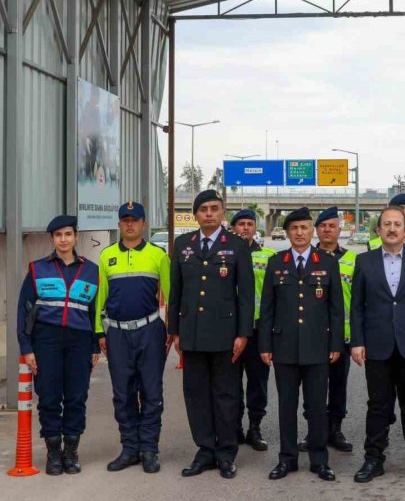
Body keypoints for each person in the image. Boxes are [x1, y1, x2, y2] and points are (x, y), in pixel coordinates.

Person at [350, 206, 405, 486]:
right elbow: (357, 307)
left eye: (397, 224)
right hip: (376, 343)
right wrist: (357, 342)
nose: (391, 229)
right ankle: (373, 459)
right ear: (378, 230)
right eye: (386, 224)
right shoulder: (364, 261)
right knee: (378, 404)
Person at [168, 190, 255, 479]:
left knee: (226, 395)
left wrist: (243, 332)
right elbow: (176, 291)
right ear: (195, 214)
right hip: (191, 333)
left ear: (222, 212)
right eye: (203, 209)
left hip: (225, 334)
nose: (209, 213)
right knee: (196, 394)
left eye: (214, 208)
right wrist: (174, 330)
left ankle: (226, 453)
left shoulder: (237, 245)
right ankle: (205, 450)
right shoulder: (183, 244)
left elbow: (246, 295)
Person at [258, 208, 342, 482]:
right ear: (287, 232)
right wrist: (265, 345)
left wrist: (335, 343)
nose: (299, 233)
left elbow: (336, 308)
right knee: (287, 406)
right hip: (284, 346)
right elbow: (267, 308)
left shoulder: (327, 262)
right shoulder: (276, 262)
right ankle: (287, 459)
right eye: (294, 228)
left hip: (318, 346)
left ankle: (319, 460)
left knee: (317, 406)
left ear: (312, 231)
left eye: (304, 228)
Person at [16, 215, 100, 475]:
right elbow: (23, 312)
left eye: (68, 234)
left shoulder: (91, 270)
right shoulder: (37, 268)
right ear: (52, 239)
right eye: (58, 235)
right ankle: (53, 452)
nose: (63, 240)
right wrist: (26, 348)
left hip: (79, 341)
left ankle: (71, 452)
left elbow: (94, 312)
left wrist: (94, 346)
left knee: (76, 396)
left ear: (75, 237)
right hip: (46, 340)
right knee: (49, 397)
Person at [98, 202, 171, 474]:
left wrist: (171, 330)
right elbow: (100, 298)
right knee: (123, 394)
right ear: (119, 224)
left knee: (151, 393)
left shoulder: (158, 255)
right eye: (125, 220)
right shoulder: (106, 256)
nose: (130, 224)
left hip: (150, 331)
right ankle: (130, 449)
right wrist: (99, 332)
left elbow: (171, 296)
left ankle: (149, 449)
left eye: (135, 220)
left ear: (143, 224)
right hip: (117, 334)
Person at [308, 205, 356, 453]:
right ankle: (313, 432)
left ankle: (335, 429)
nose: (327, 230)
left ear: (340, 230)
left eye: (332, 226)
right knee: (313, 387)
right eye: (323, 226)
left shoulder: (352, 260)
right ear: (316, 230)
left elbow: (358, 301)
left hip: (342, 336)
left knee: (338, 385)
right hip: (311, 334)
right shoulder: (306, 257)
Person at [230, 208, 277, 452]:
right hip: (230, 329)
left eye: (250, 224)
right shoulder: (225, 254)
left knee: (258, 382)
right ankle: (235, 427)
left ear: (255, 228)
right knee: (230, 382)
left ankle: (255, 428)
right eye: (241, 224)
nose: (245, 228)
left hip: (259, 329)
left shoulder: (268, 256)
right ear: (233, 228)